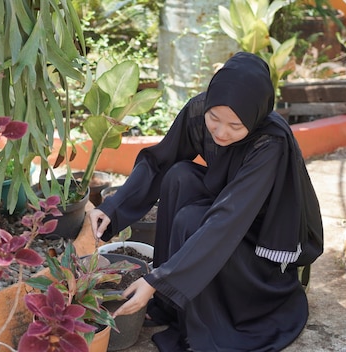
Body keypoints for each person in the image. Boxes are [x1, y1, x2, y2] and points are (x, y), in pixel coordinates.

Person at [88, 52, 324, 351]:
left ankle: (190, 303)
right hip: (228, 208)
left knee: (190, 220)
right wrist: (112, 207)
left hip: (257, 239)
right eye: (214, 119)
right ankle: (171, 299)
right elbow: (160, 161)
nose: (221, 132)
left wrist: (155, 280)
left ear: (255, 115)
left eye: (235, 126)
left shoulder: (270, 143)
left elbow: (228, 218)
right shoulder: (199, 111)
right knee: (178, 175)